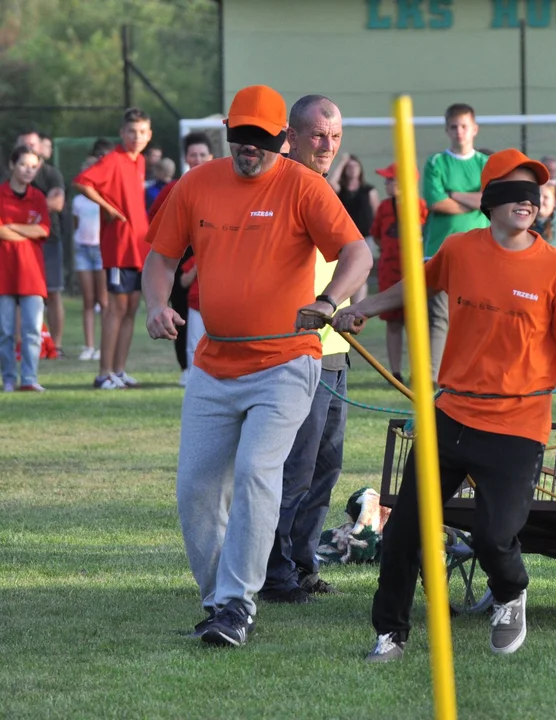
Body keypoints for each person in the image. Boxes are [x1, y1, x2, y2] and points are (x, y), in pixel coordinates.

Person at [332, 148, 556, 662]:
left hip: (518, 426)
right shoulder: (459, 251)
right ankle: (390, 633)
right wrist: (360, 307)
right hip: (451, 415)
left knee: (493, 535)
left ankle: (510, 592)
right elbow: (416, 284)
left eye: (534, 193)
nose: (528, 202)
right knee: (404, 532)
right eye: (515, 192)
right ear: (491, 200)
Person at [142, 85, 372, 647]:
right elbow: (161, 257)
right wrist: (156, 303)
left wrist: (329, 301)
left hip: (288, 360)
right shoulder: (196, 184)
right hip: (214, 364)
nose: (249, 149)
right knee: (196, 487)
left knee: (255, 473)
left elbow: (358, 251)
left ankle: (237, 604)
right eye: (240, 137)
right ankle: (221, 598)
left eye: (262, 140)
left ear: (283, 139)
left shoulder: (304, 186)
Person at [261, 93, 369, 603]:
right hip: (296, 350)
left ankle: (302, 562)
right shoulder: (280, 186)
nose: (327, 146)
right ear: (292, 136)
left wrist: (353, 303)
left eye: (335, 137)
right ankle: (272, 568)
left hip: (334, 348)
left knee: (326, 465)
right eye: (318, 136)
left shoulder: (323, 189)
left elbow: (348, 255)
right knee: (295, 466)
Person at [73, 108, 154, 390]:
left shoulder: (140, 161)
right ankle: (103, 373)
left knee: (132, 308)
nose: (137, 137)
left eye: (142, 132)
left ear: (149, 135)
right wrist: (108, 208)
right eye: (132, 131)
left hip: (138, 247)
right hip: (118, 248)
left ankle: (119, 370)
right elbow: (82, 182)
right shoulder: (114, 159)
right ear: (122, 133)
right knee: (115, 309)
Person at [422, 103, 489, 381]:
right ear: (447, 129)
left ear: (474, 128)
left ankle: (473, 373)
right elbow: (437, 202)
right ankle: (433, 378)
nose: (459, 132)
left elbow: (490, 200)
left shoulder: (485, 164)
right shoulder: (436, 162)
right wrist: (473, 201)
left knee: (477, 315)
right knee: (439, 318)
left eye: (464, 126)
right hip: (439, 250)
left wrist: (456, 194)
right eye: (454, 126)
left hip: (480, 251)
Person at [148, 131, 216, 386]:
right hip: (180, 257)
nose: (197, 159)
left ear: (210, 156)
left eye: (202, 154)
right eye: (193, 154)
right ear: (185, 158)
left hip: (212, 254)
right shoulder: (174, 188)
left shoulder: (223, 185)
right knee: (181, 312)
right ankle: (186, 366)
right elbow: (154, 221)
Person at [370, 162, 429, 383]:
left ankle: (419, 372)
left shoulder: (421, 206)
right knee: (393, 323)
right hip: (389, 271)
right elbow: (376, 235)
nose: (386, 183)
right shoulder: (384, 208)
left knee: (415, 323)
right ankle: (394, 373)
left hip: (414, 271)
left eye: (390, 179)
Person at [0, 145, 51, 392]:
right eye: (23, 165)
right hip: (4, 274)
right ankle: (8, 379)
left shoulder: (38, 197)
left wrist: (12, 227)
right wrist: (26, 230)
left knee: (32, 331)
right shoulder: (1, 194)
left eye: (33, 166)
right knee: (5, 332)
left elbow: (43, 230)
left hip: (32, 275)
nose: (28, 170)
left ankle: (29, 379)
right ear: (12, 165)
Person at [12, 130, 66, 358]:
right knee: (14, 295)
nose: (30, 147)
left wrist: (23, 215)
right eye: (25, 143)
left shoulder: (51, 173)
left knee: (52, 293)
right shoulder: (8, 177)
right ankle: (18, 346)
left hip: (48, 240)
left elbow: (57, 203)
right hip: (16, 245)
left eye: (33, 143)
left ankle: (56, 345)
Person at [72, 139, 114, 362]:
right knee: (88, 302)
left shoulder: (103, 199)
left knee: (104, 301)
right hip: (82, 249)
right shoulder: (78, 200)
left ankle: (103, 347)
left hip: (100, 250)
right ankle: (89, 346)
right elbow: (75, 224)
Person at [328, 154, 378, 240]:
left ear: (360, 169)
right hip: (346, 234)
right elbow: (331, 182)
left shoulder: (368, 190)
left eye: (356, 166)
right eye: (349, 166)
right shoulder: (341, 190)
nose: (353, 168)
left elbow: (377, 213)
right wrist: (342, 162)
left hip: (366, 235)